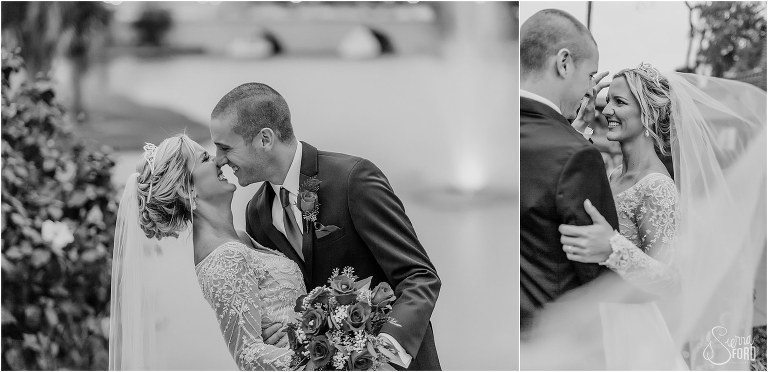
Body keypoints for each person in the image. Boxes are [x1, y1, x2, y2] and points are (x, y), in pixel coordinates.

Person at [529, 64, 767, 370]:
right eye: (608, 100)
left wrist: (614, 248)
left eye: (620, 102)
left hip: (631, 334)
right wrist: (576, 131)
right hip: (597, 321)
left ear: (648, 116)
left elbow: (672, 281)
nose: (607, 110)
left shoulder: (656, 187)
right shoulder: (615, 173)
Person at [209, 83, 441, 370]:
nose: (219, 161)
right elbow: (289, 298)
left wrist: (384, 353)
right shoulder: (257, 214)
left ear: (265, 139)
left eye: (225, 148)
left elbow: (419, 276)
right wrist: (282, 331)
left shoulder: (351, 180)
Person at [109, 134, 306, 370]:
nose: (218, 160)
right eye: (204, 158)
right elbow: (248, 355)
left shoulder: (240, 238)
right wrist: (317, 357)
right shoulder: (225, 257)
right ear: (185, 189)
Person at [519, 8, 619, 336]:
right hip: (555, 345)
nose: (592, 91)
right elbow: (599, 279)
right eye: (591, 75)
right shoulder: (575, 156)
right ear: (564, 63)